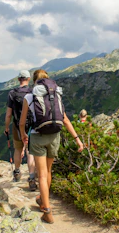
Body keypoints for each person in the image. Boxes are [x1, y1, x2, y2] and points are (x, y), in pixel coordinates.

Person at [19, 69, 84, 224]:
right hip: (55, 135)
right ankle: (42, 199)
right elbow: (65, 119)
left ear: (34, 81)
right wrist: (77, 140)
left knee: (41, 175)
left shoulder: (30, 96)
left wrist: (23, 134)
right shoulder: (56, 95)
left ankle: (47, 210)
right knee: (48, 172)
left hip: (38, 136)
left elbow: (22, 122)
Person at [4, 70, 37, 190]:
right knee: (30, 152)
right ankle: (32, 178)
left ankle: (17, 172)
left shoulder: (12, 93)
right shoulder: (32, 91)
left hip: (17, 125)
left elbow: (8, 115)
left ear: (19, 79)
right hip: (32, 125)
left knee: (18, 149)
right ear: (28, 79)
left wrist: (7, 127)